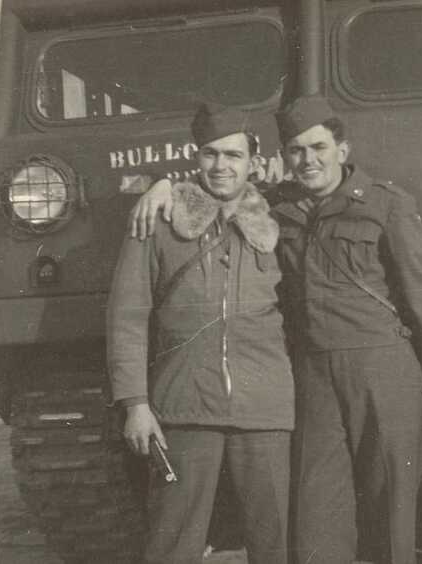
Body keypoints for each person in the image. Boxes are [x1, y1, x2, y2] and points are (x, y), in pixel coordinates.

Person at [129, 95, 422, 564]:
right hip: (312, 377)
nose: (308, 160)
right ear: (283, 158)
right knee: (314, 518)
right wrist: (165, 187)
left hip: (383, 369)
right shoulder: (274, 210)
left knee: (388, 505)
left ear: (342, 150)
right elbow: (222, 192)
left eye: (318, 148)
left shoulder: (386, 204)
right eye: (296, 150)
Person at [107, 103, 294, 564]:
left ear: (253, 160)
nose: (221, 166)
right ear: (197, 158)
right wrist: (135, 404)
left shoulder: (280, 223)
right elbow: (127, 316)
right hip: (184, 407)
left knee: (274, 544)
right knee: (173, 543)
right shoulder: (160, 223)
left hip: (265, 409)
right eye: (210, 154)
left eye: (233, 155)